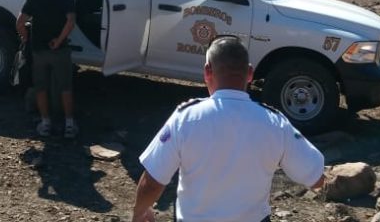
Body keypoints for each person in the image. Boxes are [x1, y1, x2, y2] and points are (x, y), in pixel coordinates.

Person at [132, 36, 325, 222]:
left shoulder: (186, 118)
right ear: (249, 73)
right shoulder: (275, 123)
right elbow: (316, 178)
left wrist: (140, 213)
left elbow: (152, 182)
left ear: (207, 71)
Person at [15, 0, 78, 139]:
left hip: (39, 50)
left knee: (40, 87)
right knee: (65, 87)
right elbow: (70, 21)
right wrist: (58, 41)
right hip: (60, 51)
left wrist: (27, 37)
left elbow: (20, 23)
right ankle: (69, 124)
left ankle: (45, 122)